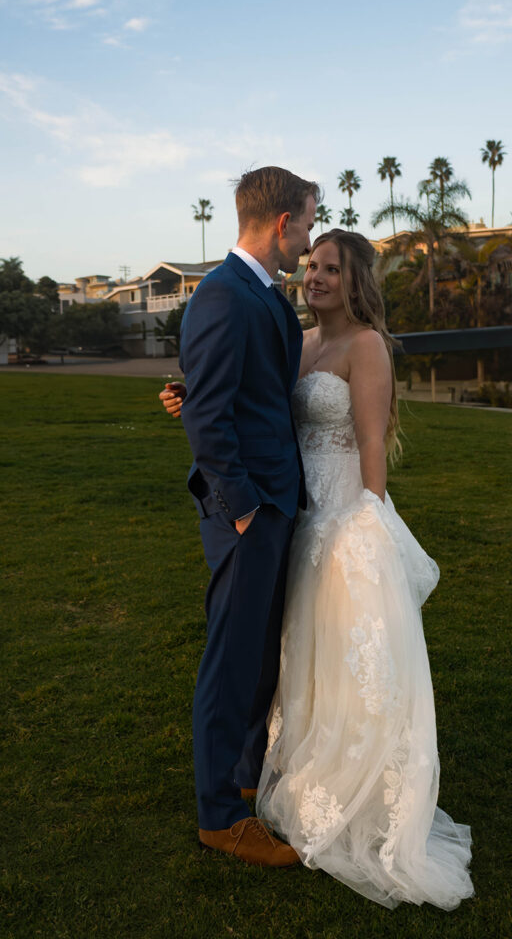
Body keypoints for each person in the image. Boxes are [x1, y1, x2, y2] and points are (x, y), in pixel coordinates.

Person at [161, 227, 473, 909]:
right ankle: (286, 769)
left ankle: (355, 785)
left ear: (355, 279)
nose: (316, 277)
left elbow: (370, 443)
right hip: (294, 519)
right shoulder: (296, 341)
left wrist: (372, 526)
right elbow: (254, 406)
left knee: (348, 658)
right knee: (295, 654)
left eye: (331, 268)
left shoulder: (366, 347)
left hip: (344, 519)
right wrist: (196, 395)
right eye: (311, 265)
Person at [173, 166, 320, 868]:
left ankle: (243, 778)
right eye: (310, 224)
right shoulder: (225, 295)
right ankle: (219, 816)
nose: (310, 239)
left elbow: (235, 392)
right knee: (232, 663)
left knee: (260, 656)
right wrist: (237, 510)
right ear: (283, 223)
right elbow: (208, 414)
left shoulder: (258, 294)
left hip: (276, 502)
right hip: (250, 510)